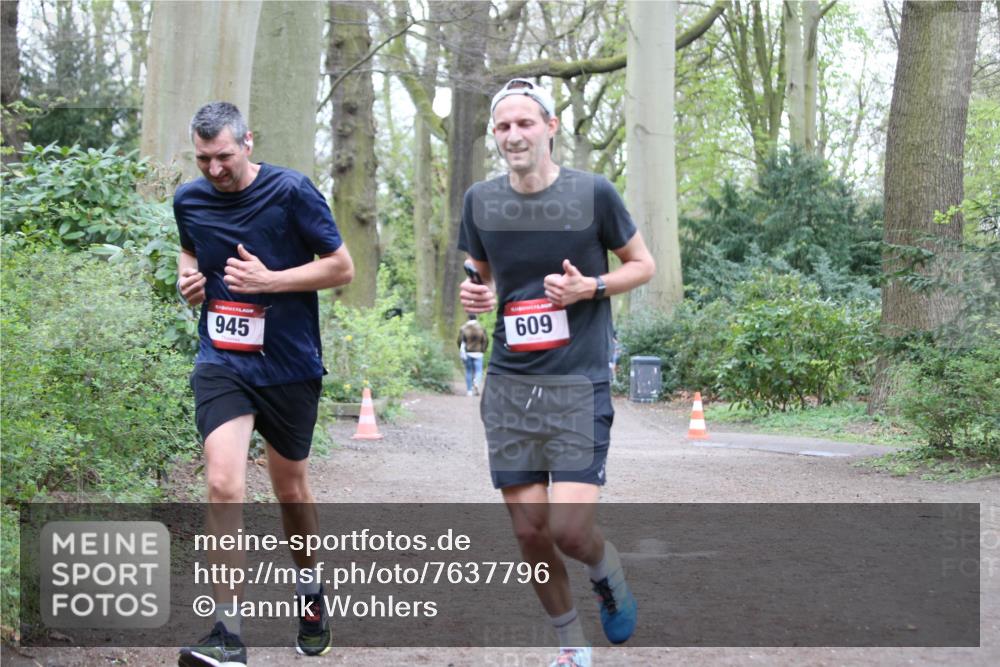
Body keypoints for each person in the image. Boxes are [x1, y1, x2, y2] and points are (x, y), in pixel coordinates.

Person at [458, 79, 656, 667]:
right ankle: (571, 645)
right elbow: (483, 275)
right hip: (511, 383)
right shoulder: (480, 201)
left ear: (550, 127)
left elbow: (643, 266)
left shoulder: (594, 194)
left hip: (578, 379)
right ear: (495, 135)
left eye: (525, 123)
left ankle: (604, 567)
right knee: (528, 532)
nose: (513, 135)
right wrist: (479, 293)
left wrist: (589, 286)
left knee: (569, 530)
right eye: (503, 126)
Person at [174, 102, 354, 667]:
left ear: (248, 142)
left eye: (224, 156)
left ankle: (310, 592)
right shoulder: (189, 198)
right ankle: (227, 634)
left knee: (290, 490)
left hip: (289, 365)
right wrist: (187, 276)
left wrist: (271, 281)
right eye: (203, 158)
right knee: (224, 483)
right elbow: (189, 246)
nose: (214, 169)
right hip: (222, 359)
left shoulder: (293, 192)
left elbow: (341, 266)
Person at [458, 314, 488, 395]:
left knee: (468, 371)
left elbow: (460, 341)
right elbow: (485, 340)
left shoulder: (463, 328)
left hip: (468, 353)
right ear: (476, 318)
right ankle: (476, 383)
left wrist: (461, 350)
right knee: (479, 371)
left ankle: (469, 391)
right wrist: (483, 350)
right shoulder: (481, 328)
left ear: (468, 318)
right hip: (478, 353)